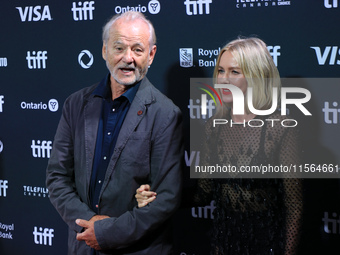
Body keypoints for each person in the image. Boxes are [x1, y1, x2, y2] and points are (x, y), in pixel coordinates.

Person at [136, 37, 303, 255]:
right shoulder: (214, 127)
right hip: (223, 245)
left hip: (267, 246)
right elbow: (204, 193)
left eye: (234, 72)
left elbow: (294, 206)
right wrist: (159, 196)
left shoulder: (280, 128)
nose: (223, 79)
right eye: (221, 71)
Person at [46, 11, 184, 255]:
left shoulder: (166, 114)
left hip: (138, 249)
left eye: (138, 50)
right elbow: (57, 177)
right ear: (104, 51)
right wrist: (91, 225)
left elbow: (165, 199)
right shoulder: (75, 104)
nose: (127, 58)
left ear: (151, 55)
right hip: (83, 245)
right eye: (119, 48)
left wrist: (107, 232)